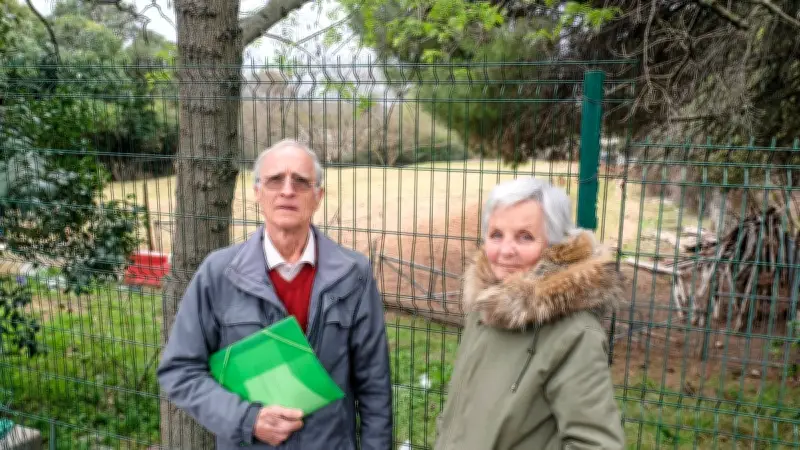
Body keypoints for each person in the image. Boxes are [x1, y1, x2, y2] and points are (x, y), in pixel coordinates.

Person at [157, 139, 393, 450]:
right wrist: (248, 420)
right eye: (275, 180)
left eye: (301, 181)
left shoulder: (352, 275)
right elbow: (180, 371)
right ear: (257, 192)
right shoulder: (218, 274)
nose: (287, 191)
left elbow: (375, 386)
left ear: (318, 196)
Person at [434, 177, 625, 450]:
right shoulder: (485, 307)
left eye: (525, 237)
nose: (505, 251)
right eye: (496, 235)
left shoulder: (574, 335)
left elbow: (597, 445)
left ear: (555, 246)